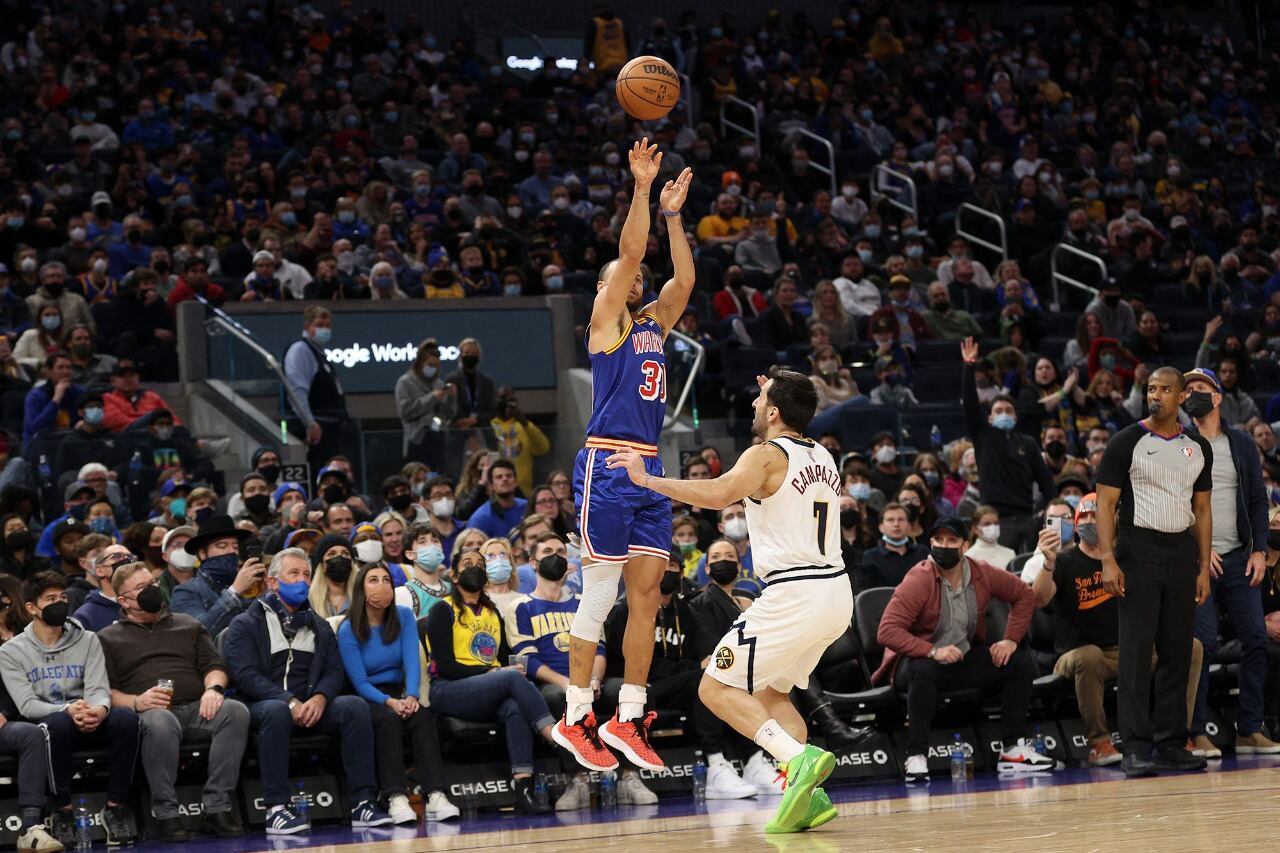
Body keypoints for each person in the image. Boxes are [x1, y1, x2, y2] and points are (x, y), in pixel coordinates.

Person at [607, 368, 852, 834]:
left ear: (776, 412)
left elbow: (720, 493)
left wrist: (646, 481)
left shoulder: (766, 454)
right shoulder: (822, 454)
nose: (754, 406)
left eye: (761, 400)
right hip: (835, 592)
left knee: (713, 688)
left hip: (794, 592)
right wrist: (777, 382)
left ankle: (799, 760)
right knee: (771, 694)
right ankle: (806, 798)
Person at [555, 139, 695, 776]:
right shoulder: (606, 322)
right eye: (623, 271)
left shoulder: (652, 326)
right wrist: (641, 189)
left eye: (636, 276)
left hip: (649, 468)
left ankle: (628, 717)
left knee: (648, 597)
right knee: (600, 591)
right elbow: (632, 253)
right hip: (607, 465)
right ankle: (575, 714)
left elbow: (684, 280)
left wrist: (674, 217)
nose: (633, 276)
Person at [223, 548, 393, 833]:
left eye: (305, 574)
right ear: (273, 582)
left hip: (311, 706)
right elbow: (245, 676)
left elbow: (334, 670)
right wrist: (288, 700)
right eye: (293, 574)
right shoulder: (245, 624)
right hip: (264, 706)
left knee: (353, 706)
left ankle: (362, 802)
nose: (301, 581)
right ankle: (277, 808)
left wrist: (321, 697)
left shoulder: (319, 625)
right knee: (276, 711)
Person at [1095, 366, 1213, 777]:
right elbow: (1105, 505)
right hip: (1138, 547)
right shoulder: (1126, 441)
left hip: (1181, 550)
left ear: (1182, 397)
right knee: (1137, 652)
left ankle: (1170, 742)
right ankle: (1136, 747)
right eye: (1151, 389)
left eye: (1165, 389)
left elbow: (1202, 508)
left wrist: (1202, 566)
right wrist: (1109, 560)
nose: (1156, 395)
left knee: (1178, 650)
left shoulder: (1197, 447)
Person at [875, 516, 1054, 784]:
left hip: (961, 657)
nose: (943, 545)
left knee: (1018, 664)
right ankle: (916, 755)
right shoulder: (919, 579)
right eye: (938, 540)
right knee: (923, 671)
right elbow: (887, 631)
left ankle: (1013, 749)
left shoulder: (981, 572)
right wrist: (932, 650)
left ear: (965, 545)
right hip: (915, 661)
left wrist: (1011, 640)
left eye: (951, 540)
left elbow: (1023, 595)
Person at [1030, 493, 1205, 767]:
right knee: (1088, 656)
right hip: (1077, 655)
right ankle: (1099, 742)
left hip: (1130, 649)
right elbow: (1039, 599)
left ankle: (1175, 735)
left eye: (1094, 516)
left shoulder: (1127, 558)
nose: (1089, 521)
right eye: (1083, 517)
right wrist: (1048, 561)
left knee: (1191, 647)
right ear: (1075, 525)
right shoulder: (1064, 561)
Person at [99, 561, 250, 840]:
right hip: (152, 712)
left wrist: (213, 690)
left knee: (235, 711)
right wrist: (136, 701)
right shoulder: (107, 638)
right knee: (160, 721)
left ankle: (217, 806)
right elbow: (104, 690)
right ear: (123, 600)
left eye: (154, 584)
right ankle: (165, 812)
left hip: (196, 707)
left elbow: (213, 666)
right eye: (142, 588)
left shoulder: (187, 624)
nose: (152, 590)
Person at [1181, 368, 1280, 755]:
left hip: (1239, 558)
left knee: (1256, 638)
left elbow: (1257, 499)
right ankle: (1196, 730)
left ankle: (1249, 728)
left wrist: (1257, 550)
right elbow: (1175, 505)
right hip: (1199, 562)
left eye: (1200, 389)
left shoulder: (1239, 443)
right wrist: (1200, 550)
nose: (1192, 395)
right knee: (1202, 644)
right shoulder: (1179, 443)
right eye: (1187, 390)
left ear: (1218, 396)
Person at [0, 571, 139, 845]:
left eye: (63, 596)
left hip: (90, 715)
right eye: (50, 598)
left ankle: (116, 807)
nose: (60, 603)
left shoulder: (87, 639)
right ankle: (62, 811)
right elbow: (27, 705)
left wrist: (99, 710)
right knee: (56, 726)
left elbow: (99, 687)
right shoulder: (11, 652)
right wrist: (68, 709)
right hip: (55, 719)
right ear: (31, 608)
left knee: (125, 719)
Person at [422, 549, 557, 814]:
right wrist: (490, 675)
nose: (475, 568)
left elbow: (501, 658)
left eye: (479, 564)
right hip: (448, 689)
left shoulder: (493, 612)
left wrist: (506, 671)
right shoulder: (442, 609)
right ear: (454, 575)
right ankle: (553, 734)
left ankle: (523, 788)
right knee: (509, 678)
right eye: (467, 564)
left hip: (486, 690)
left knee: (516, 706)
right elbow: (446, 667)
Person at [337, 563, 458, 824]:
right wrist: (390, 702)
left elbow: (412, 662)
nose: (381, 585)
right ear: (361, 589)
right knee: (388, 719)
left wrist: (412, 696)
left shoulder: (403, 616)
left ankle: (436, 794)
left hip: (401, 690)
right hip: (368, 696)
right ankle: (395, 796)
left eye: (385, 580)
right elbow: (359, 681)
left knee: (423, 717)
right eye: (373, 580)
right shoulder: (348, 629)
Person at [961, 337, 1056, 551]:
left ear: (1015, 416)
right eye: (999, 411)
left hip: (1027, 518)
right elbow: (969, 403)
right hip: (996, 519)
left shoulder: (1028, 443)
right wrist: (969, 367)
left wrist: (1049, 511)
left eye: (1008, 410)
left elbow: (1046, 482)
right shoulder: (983, 436)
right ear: (990, 418)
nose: (1004, 414)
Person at [170, 514, 265, 637]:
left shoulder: (251, 587)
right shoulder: (185, 592)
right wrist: (234, 591)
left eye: (235, 546)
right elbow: (197, 634)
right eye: (222, 546)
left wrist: (268, 596)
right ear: (203, 553)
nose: (231, 551)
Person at [284, 305, 348, 469]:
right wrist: (310, 423)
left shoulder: (319, 354)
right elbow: (297, 391)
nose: (324, 330)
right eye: (319, 325)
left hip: (330, 428)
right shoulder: (300, 350)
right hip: (313, 430)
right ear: (307, 326)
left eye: (327, 326)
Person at [853, 503, 930, 592]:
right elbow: (867, 595)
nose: (896, 524)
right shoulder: (869, 557)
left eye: (901, 519)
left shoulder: (923, 553)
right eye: (890, 520)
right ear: (881, 527)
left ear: (909, 525)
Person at [466, 458, 528, 539]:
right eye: (499, 477)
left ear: (516, 482)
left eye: (509, 476)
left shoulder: (527, 508)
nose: (505, 479)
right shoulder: (480, 518)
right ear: (491, 486)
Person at [965, 505, 1017, 570]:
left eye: (996, 523)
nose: (993, 527)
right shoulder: (969, 557)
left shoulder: (1010, 553)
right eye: (987, 524)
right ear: (975, 528)